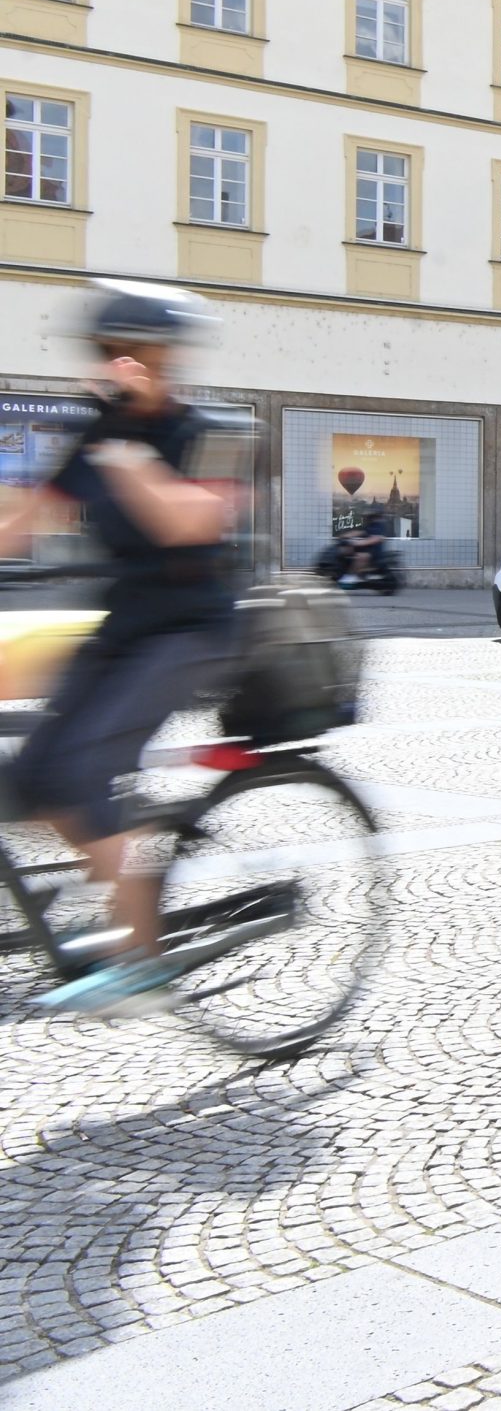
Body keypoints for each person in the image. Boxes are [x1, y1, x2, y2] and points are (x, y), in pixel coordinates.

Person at [0, 280, 240, 1017]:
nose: (124, 365)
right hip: (123, 630)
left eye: (136, 352)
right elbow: (24, 521)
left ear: (166, 357)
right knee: (30, 777)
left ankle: (141, 960)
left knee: (80, 773)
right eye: (112, 352)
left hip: (191, 632)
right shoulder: (99, 432)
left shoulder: (206, 428)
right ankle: (122, 871)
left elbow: (187, 522)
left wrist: (126, 444)